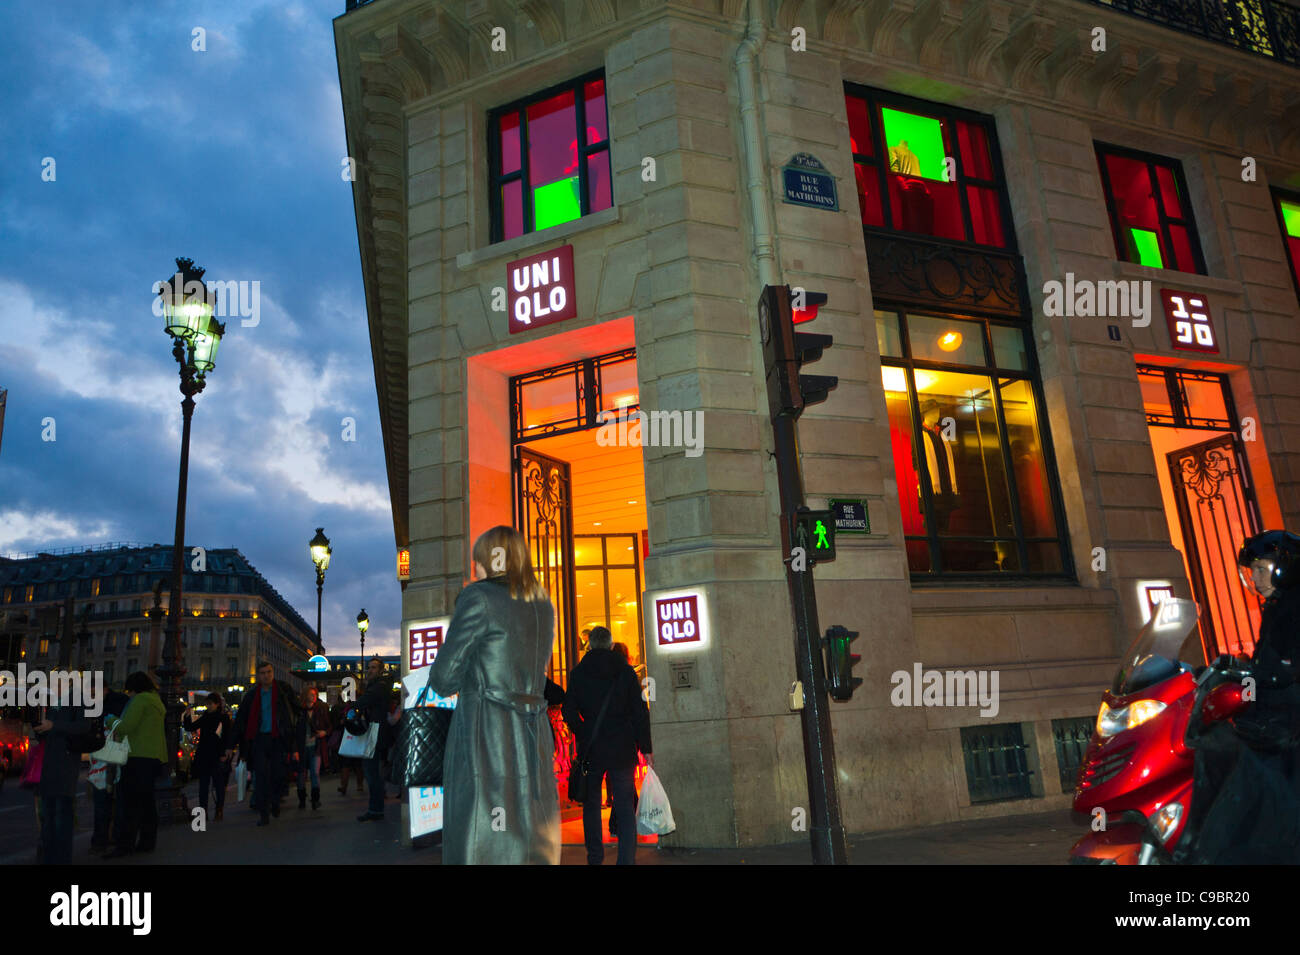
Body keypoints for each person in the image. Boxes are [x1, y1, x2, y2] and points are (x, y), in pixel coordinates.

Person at [428, 525, 560, 864]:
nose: (474, 568)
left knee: (485, 831)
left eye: (478, 561)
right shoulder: (543, 604)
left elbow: (443, 677)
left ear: (491, 560)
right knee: (529, 825)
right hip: (534, 732)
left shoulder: (479, 597)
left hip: (487, 729)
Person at [1179, 530, 1300, 863]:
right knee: (1215, 742)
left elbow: (1286, 668)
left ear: (1285, 568)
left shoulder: (1294, 606)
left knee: (1231, 756)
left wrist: (1255, 673)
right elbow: (1268, 659)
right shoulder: (1277, 606)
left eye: (1262, 568)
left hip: (1287, 723)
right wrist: (1232, 665)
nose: (1255, 577)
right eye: (1253, 570)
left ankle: (1217, 846)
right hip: (1270, 716)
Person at [563, 625, 653, 865]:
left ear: (590, 645)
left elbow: (568, 710)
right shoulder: (625, 671)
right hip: (622, 747)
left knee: (591, 805)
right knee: (624, 805)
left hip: (592, 748)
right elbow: (638, 712)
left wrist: (583, 731)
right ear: (611, 645)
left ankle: (595, 858)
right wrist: (646, 747)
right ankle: (625, 860)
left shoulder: (579, 673)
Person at [105, 672, 167, 858]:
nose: (129, 695)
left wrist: (110, 719)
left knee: (130, 804)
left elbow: (125, 727)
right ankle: (147, 842)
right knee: (147, 803)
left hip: (137, 756)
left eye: (129, 691)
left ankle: (125, 845)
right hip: (154, 757)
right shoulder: (156, 701)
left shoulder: (140, 701)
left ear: (134, 689)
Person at [231, 660, 300, 827]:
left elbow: (295, 716)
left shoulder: (283, 691)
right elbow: (240, 721)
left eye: (269, 672)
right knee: (260, 778)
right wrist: (230, 746)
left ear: (273, 673)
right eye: (262, 673)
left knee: (278, 775)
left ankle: (275, 801)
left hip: (278, 738)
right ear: (258, 675)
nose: (266, 675)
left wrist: (294, 745)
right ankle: (264, 814)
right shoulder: (252, 695)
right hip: (259, 740)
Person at [34, 702, 93, 865]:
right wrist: (40, 728)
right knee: (49, 816)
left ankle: (61, 859)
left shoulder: (79, 701)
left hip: (66, 764)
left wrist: (53, 725)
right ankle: (49, 857)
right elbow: (46, 733)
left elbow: (83, 726)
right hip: (49, 764)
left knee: (62, 816)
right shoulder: (52, 703)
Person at [89, 685, 130, 854]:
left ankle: (101, 839)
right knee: (117, 803)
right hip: (119, 759)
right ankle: (115, 837)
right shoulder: (123, 704)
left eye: (93, 693)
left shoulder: (102, 710)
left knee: (102, 804)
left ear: (103, 689)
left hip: (103, 761)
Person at [182, 692, 235, 821]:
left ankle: (219, 810)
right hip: (205, 754)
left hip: (216, 755)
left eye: (210, 704)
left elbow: (227, 736)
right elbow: (191, 727)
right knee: (204, 786)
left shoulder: (223, 718)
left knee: (218, 784)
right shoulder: (206, 716)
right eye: (207, 704)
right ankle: (203, 812)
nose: (208, 706)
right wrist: (188, 716)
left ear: (217, 704)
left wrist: (224, 753)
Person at [356, 657, 392, 822]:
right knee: (371, 771)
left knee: (371, 771)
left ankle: (375, 809)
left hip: (375, 732)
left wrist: (351, 705)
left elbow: (364, 701)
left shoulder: (379, 686)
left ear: (380, 670)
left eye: (373, 668)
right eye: (368, 667)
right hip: (375, 731)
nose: (369, 670)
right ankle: (375, 808)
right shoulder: (378, 685)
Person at [296, 686, 331, 810]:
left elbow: (329, 726)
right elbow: (295, 731)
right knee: (301, 774)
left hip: (315, 747)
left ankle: (315, 799)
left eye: (315, 694)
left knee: (315, 773)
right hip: (302, 747)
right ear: (306, 696)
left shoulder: (320, 710)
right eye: (311, 694)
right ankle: (302, 799)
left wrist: (324, 732)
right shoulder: (299, 711)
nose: (314, 696)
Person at [332, 696, 363, 797]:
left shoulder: (347, 709)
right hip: (354, 738)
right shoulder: (357, 708)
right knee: (356, 764)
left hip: (348, 738)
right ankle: (357, 784)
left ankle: (345, 786)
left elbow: (342, 723)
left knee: (347, 764)